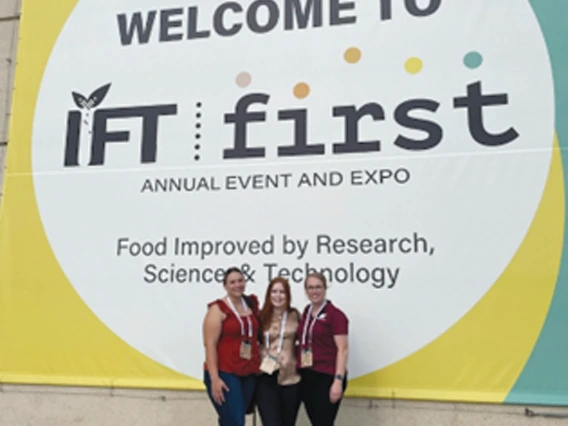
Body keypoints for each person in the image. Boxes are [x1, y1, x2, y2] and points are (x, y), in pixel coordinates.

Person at [202, 266, 261, 426]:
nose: (237, 285)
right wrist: (215, 378)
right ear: (225, 286)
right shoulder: (217, 309)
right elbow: (210, 345)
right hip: (225, 373)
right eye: (232, 282)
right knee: (236, 421)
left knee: (230, 420)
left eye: (240, 280)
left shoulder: (251, 304)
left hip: (248, 372)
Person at [297, 272, 349, 426]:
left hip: (327, 376)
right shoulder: (307, 312)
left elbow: (343, 349)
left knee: (323, 422)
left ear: (325, 288)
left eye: (318, 287)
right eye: (310, 288)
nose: (314, 291)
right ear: (306, 291)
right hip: (307, 374)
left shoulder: (336, 315)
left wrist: (338, 381)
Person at [256, 277, 302, 426]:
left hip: (290, 377)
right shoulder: (260, 317)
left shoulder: (295, 315)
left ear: (288, 295)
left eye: (282, 292)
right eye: (274, 291)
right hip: (266, 375)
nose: (278, 295)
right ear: (269, 294)